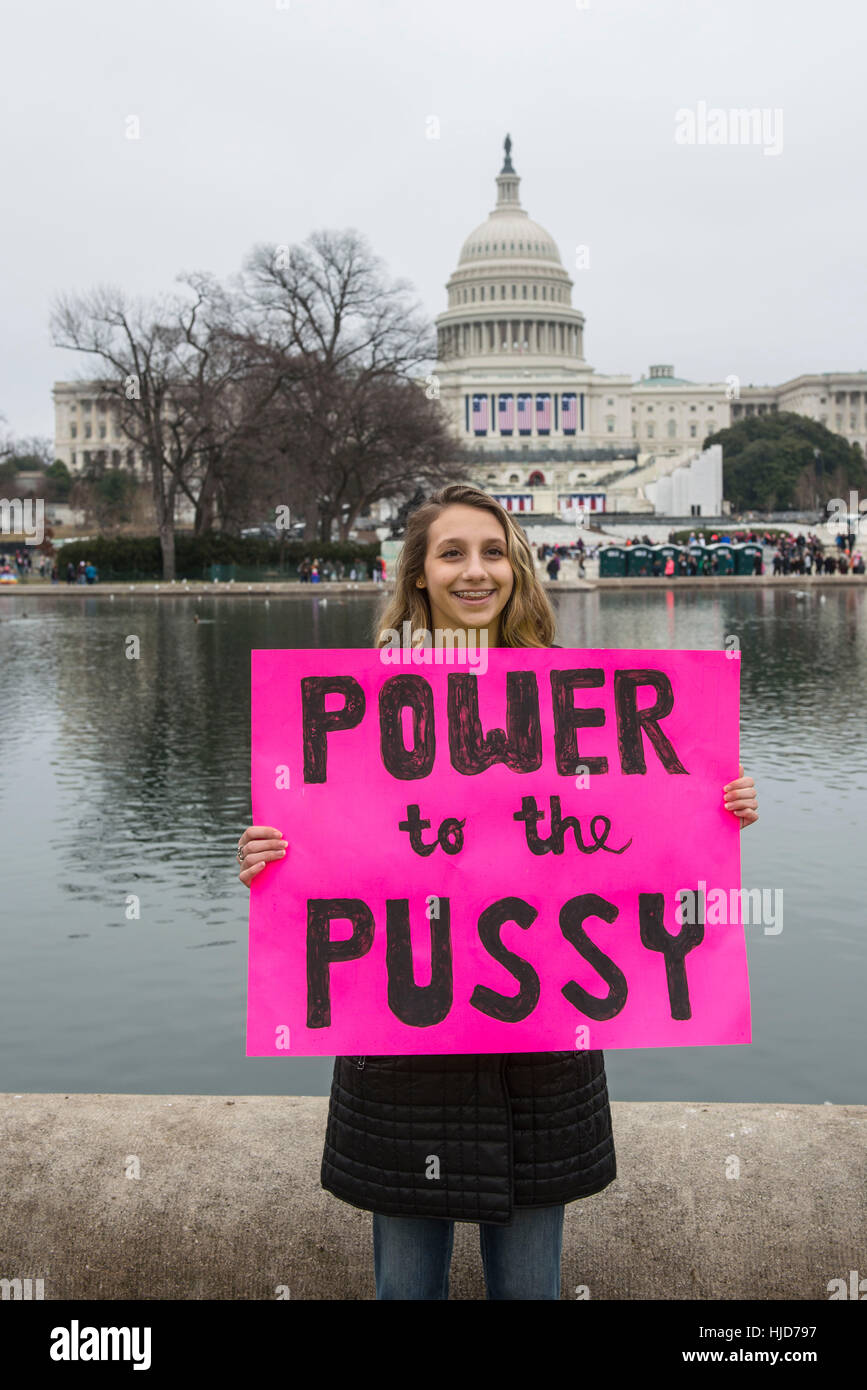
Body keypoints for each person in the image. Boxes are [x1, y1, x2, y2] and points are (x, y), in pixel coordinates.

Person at [235, 483, 759, 1301]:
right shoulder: (359, 704)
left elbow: (632, 847)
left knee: (531, 1292)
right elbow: (332, 858)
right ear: (417, 577)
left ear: (515, 569)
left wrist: (711, 810)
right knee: (405, 1292)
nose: (474, 572)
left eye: (491, 553)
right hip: (403, 1050)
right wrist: (267, 857)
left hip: (540, 1047)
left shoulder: (566, 694)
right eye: (451, 553)